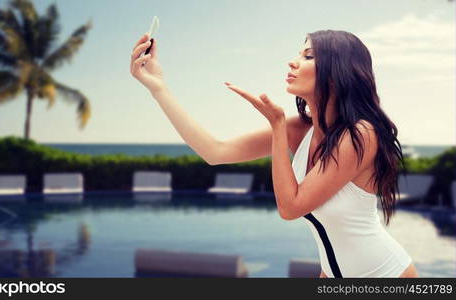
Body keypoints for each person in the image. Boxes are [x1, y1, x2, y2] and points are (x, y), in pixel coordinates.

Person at [130, 29, 419, 278]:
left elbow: (291, 207)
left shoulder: (361, 134)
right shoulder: (300, 129)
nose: (293, 61)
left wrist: (277, 126)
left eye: (308, 56)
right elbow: (215, 151)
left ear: (337, 72)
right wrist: (159, 88)